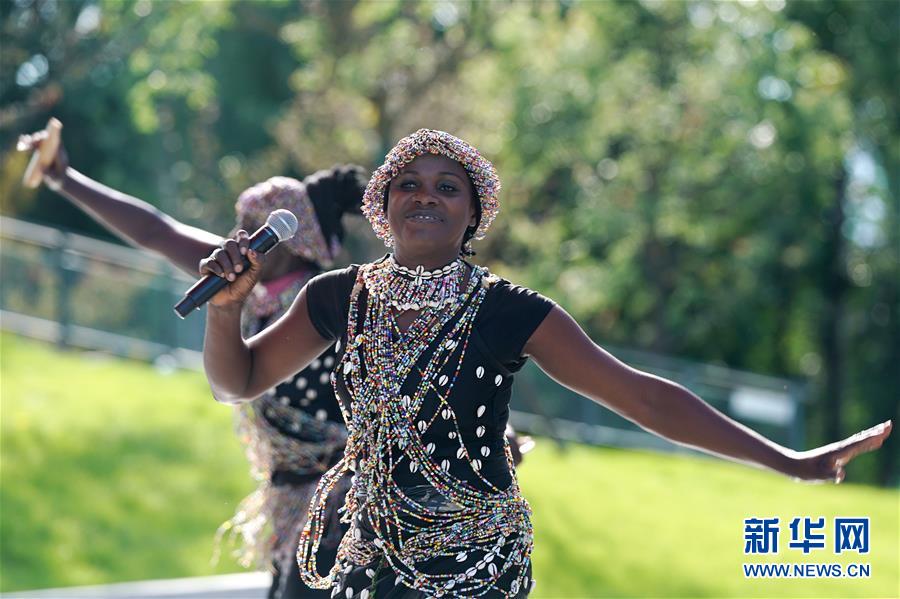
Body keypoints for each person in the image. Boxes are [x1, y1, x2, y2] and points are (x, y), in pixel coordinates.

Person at [197, 129, 890, 598]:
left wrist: (791, 461)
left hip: (470, 567)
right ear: (382, 208)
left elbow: (646, 399)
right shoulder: (337, 297)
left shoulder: (510, 312)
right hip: (361, 554)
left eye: (447, 187)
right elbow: (240, 380)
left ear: (473, 215)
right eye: (408, 184)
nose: (426, 195)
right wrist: (227, 308)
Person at [18, 126, 368, 599]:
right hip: (292, 506)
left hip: (341, 512)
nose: (242, 235)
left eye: (259, 226)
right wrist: (65, 178)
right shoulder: (247, 283)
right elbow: (155, 231)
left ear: (296, 240)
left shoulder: (330, 302)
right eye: (241, 221)